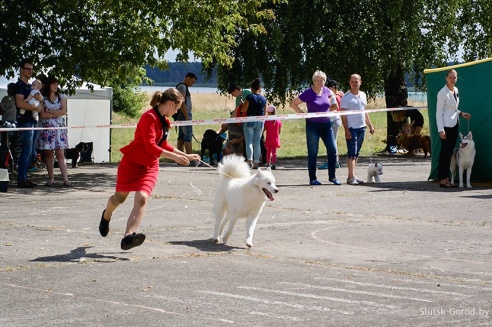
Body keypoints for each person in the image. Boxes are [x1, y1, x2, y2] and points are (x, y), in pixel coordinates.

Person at [98, 88, 200, 250]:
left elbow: (163, 144)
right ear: (171, 103)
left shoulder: (165, 121)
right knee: (119, 199)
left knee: (142, 198)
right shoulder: (149, 118)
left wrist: (187, 155)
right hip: (132, 164)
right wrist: (175, 158)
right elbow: (150, 146)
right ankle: (106, 215)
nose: (176, 111)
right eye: (177, 108)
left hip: (150, 166)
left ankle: (128, 237)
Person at [290, 70, 341, 186]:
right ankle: (312, 178)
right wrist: (302, 114)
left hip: (327, 124)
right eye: (317, 80)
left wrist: (330, 109)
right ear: (314, 81)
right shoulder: (308, 92)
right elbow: (293, 103)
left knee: (332, 150)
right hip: (312, 126)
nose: (320, 82)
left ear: (325, 81)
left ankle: (332, 177)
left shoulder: (327, 91)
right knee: (313, 152)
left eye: (322, 80)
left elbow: (334, 105)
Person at [436, 69, 471, 188]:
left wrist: (461, 113)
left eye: (454, 77)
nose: (452, 79)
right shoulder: (442, 92)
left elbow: (453, 108)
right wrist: (441, 129)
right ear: (446, 78)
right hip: (446, 125)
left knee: (449, 151)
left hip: (455, 123)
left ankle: (446, 178)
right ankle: (442, 178)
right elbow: (439, 112)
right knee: (445, 152)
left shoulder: (456, 90)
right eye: (450, 77)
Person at [340, 74, 375, 185]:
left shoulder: (363, 95)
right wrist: (346, 130)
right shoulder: (346, 97)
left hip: (361, 128)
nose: (354, 84)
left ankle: (352, 175)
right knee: (352, 153)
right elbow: (343, 115)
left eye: (356, 81)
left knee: (356, 153)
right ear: (349, 83)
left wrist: (370, 125)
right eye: (352, 82)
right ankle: (350, 177)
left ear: (360, 82)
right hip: (351, 128)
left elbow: (364, 111)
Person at [37, 76, 70, 186]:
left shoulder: (62, 97)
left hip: (59, 128)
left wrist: (50, 111)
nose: (56, 86)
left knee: (60, 153)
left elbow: (63, 111)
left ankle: (66, 179)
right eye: (53, 83)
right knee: (48, 154)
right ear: (49, 85)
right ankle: (51, 178)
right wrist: (56, 112)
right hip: (47, 128)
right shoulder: (43, 98)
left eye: (57, 84)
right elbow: (42, 114)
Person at [14, 59, 43, 188]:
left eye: (32, 69)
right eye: (27, 69)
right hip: (24, 121)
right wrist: (35, 108)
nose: (30, 71)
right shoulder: (19, 85)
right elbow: (20, 103)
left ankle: (24, 177)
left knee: (31, 151)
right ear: (21, 69)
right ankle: (21, 179)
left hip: (33, 120)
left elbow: (40, 106)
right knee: (26, 150)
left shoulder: (32, 86)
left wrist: (39, 102)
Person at [241, 78, 267, 169]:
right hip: (260, 121)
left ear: (251, 88)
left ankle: (249, 161)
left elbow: (243, 109)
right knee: (257, 142)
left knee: (249, 142)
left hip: (250, 120)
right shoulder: (264, 98)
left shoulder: (249, 97)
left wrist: (243, 104)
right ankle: (256, 162)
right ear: (259, 88)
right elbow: (265, 112)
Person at [319, 80, 343, 169]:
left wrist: (322, 108)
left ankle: (332, 162)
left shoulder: (331, 95)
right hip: (334, 119)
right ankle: (335, 161)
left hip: (333, 120)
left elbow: (335, 107)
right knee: (333, 142)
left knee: (331, 143)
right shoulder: (340, 94)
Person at [175, 72, 197, 159]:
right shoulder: (183, 87)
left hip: (183, 115)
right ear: (187, 78)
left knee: (181, 136)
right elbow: (182, 102)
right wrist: (187, 117)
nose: (192, 84)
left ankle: (180, 158)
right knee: (188, 137)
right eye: (192, 81)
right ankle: (191, 159)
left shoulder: (183, 87)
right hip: (184, 115)